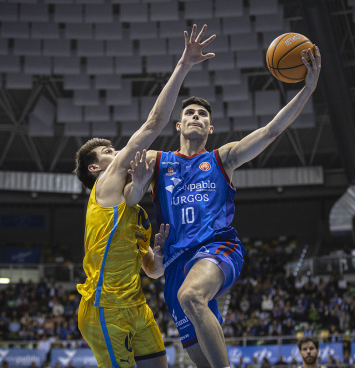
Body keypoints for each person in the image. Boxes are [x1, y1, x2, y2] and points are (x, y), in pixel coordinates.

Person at [124, 40, 321, 367]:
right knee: (202, 355)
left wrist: (308, 89)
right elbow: (130, 198)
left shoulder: (221, 158)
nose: (196, 117)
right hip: (175, 264)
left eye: (203, 114)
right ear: (179, 125)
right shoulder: (157, 160)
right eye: (190, 113)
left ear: (210, 127)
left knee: (192, 295)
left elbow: (271, 131)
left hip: (216, 249)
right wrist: (140, 183)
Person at [72, 24, 216, 368]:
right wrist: (184, 65)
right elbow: (154, 123)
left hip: (135, 304)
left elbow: (151, 271)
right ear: (96, 169)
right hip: (104, 307)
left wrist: (158, 253)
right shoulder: (105, 184)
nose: (118, 151)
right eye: (109, 150)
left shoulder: (131, 208)